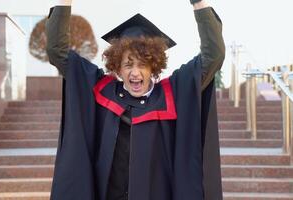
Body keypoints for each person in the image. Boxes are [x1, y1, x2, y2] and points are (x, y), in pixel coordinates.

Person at [46, 0, 225, 199]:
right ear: (117, 68)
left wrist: (198, 3)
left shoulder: (171, 94)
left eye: (143, 64)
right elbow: (57, 52)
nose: (135, 73)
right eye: (128, 64)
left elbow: (213, 56)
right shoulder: (101, 90)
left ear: (154, 66)